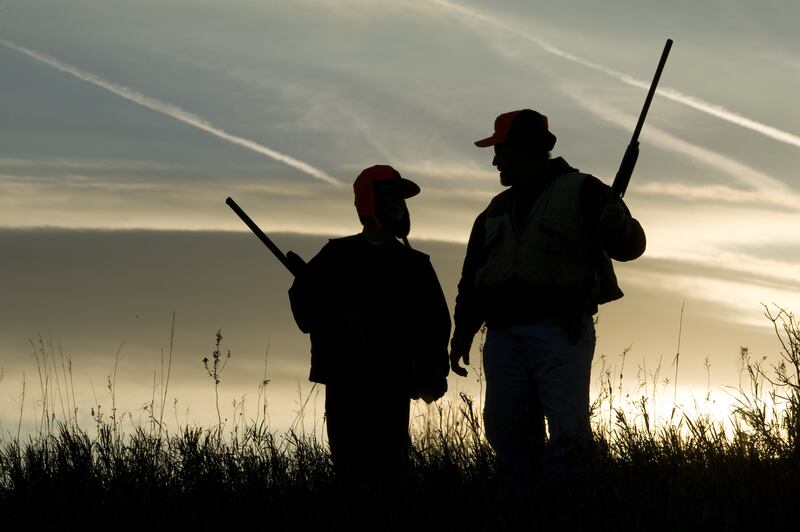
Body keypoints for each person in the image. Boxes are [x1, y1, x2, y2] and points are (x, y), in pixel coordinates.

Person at [449, 109, 646, 480]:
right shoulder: (493, 210)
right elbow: (472, 278)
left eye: (501, 150)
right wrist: (463, 332)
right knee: (507, 433)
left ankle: (570, 505)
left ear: (527, 149)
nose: (495, 160)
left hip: (560, 331)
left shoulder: (584, 190)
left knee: (568, 432)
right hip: (503, 335)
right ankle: (522, 507)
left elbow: (632, 245)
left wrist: (619, 227)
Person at [288, 164, 451, 481]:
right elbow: (306, 311)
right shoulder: (337, 255)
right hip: (345, 378)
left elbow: (436, 325)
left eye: (400, 199)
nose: (398, 204)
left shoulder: (415, 264)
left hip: (393, 380)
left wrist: (432, 372)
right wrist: (334, 313)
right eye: (390, 196)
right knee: (348, 467)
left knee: (391, 467)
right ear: (368, 202)